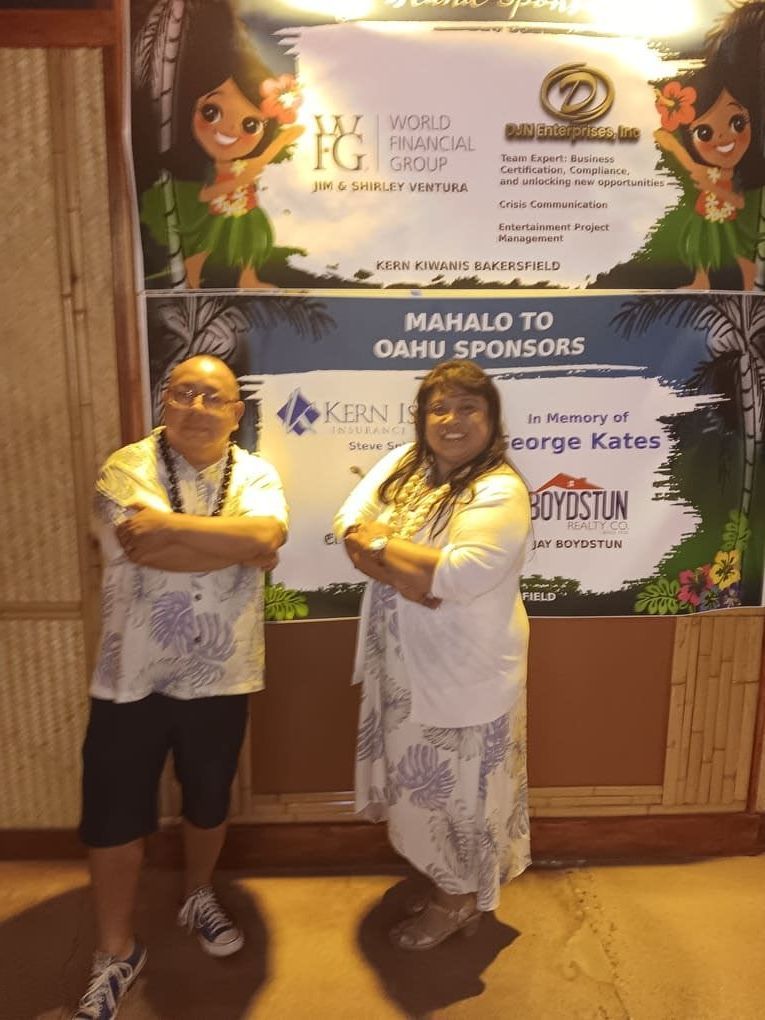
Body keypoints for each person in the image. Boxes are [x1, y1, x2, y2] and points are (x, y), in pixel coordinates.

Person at [73, 355, 287, 1019]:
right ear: (164, 402)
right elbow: (141, 549)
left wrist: (168, 525)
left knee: (208, 800)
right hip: (130, 676)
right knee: (112, 813)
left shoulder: (256, 474)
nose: (197, 406)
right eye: (184, 393)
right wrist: (238, 545)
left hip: (222, 673)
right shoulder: (126, 467)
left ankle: (198, 893)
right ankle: (116, 950)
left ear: (235, 412)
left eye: (212, 397)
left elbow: (269, 533)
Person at [334, 360, 531, 951]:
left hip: (463, 671)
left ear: (491, 420)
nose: (451, 420)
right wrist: (402, 568)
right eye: (438, 408)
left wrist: (382, 547)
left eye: (469, 408)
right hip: (403, 668)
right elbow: (348, 524)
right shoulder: (403, 464)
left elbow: (460, 575)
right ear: (421, 418)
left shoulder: (500, 489)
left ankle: (457, 901)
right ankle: (447, 883)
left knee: (458, 794)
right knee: (423, 791)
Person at [137, 0, 303, 289]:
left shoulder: (247, 162)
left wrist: (284, 139)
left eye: (249, 125)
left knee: (253, 241)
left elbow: (261, 160)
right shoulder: (222, 167)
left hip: (243, 210)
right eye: (211, 112)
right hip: (220, 208)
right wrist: (225, 187)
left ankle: (248, 277)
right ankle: (192, 275)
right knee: (206, 245)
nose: (229, 129)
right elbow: (226, 182)